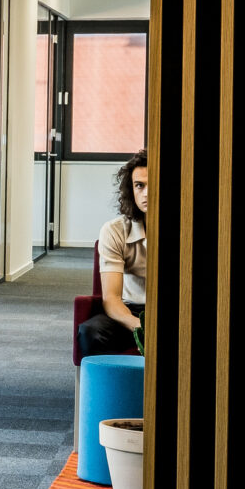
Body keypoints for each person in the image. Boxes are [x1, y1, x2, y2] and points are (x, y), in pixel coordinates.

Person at [78, 150, 147, 359]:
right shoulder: (115, 230)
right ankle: (107, 391)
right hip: (130, 313)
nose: (146, 193)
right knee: (91, 332)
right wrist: (140, 328)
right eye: (139, 186)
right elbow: (112, 299)